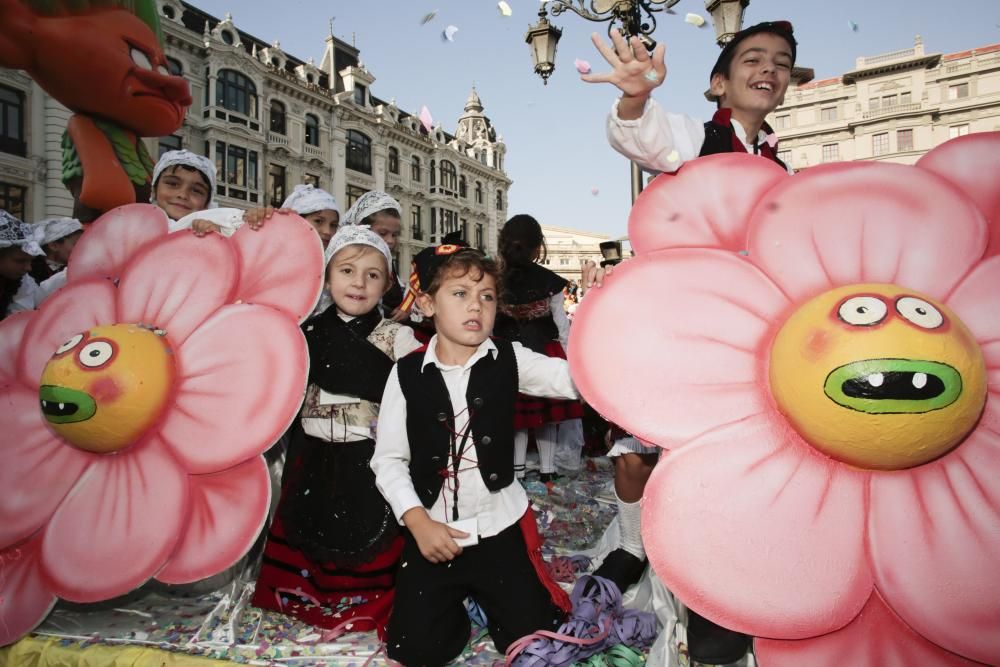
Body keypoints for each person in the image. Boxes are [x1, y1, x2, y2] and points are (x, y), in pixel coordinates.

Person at [580, 20, 799, 665]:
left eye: (781, 62)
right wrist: (635, 98)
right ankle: (693, 603)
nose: (769, 69)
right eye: (753, 58)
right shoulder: (693, 138)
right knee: (661, 462)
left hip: (757, 350)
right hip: (685, 336)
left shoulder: (784, 168)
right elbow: (642, 135)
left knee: (740, 474)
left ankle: (735, 597)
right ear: (719, 82)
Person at [371, 244, 576, 665]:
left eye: (486, 296)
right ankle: (456, 610)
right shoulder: (406, 373)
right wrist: (418, 522)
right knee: (414, 649)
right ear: (427, 303)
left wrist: (614, 350)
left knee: (533, 637)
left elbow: (572, 379)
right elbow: (388, 460)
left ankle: (497, 600)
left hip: (498, 526)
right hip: (435, 532)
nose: (476, 306)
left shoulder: (509, 358)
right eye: (460, 293)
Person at [251, 225, 421, 637]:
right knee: (308, 523)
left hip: (368, 458)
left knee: (364, 531)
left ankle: (361, 600)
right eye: (346, 270)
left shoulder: (397, 337)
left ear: (388, 284)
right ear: (327, 277)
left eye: (372, 274)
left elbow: (424, 388)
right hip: (311, 455)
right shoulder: (303, 333)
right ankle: (300, 595)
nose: (358, 283)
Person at [494, 214, 583, 483]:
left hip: (506, 354)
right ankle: (547, 470)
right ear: (537, 246)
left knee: (517, 417)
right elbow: (562, 326)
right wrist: (572, 360)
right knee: (548, 417)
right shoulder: (550, 282)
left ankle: (517, 470)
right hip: (544, 351)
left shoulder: (493, 279)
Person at [342, 191, 406, 321]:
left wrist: (405, 309)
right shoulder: (346, 262)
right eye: (383, 233)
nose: (390, 240)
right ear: (362, 229)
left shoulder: (388, 264)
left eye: (394, 235)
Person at [0, 210, 45, 319]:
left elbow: (19, 318)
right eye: (20, 261)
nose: (28, 268)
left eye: (31, 261)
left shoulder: (21, 282)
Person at [30, 216, 83, 282]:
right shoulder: (32, 274)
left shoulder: (78, 269)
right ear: (53, 245)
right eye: (76, 244)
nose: (82, 249)